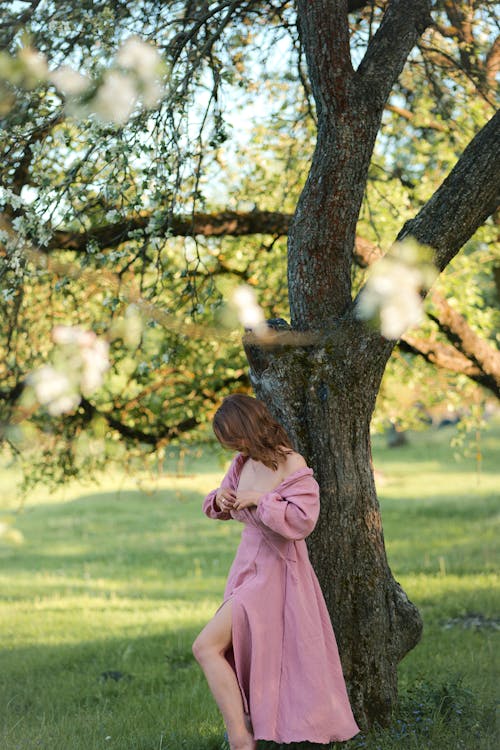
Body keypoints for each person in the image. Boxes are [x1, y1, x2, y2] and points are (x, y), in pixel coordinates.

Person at [192, 393, 360, 750]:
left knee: (206, 645)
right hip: (245, 569)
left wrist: (261, 500)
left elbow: (303, 520)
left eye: (235, 438)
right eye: (228, 443)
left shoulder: (290, 462)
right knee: (228, 651)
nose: (233, 447)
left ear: (250, 427)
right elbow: (222, 501)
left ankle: (241, 739)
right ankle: (246, 732)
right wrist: (221, 499)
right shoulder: (240, 463)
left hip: (277, 573)